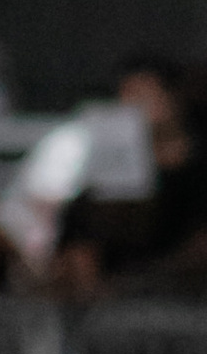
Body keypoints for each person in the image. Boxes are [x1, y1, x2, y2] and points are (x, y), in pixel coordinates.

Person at [51, 59, 207, 294]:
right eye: (126, 96)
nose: (133, 105)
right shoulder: (109, 169)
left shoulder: (197, 166)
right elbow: (77, 239)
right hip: (110, 294)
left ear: (173, 97)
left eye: (143, 95)